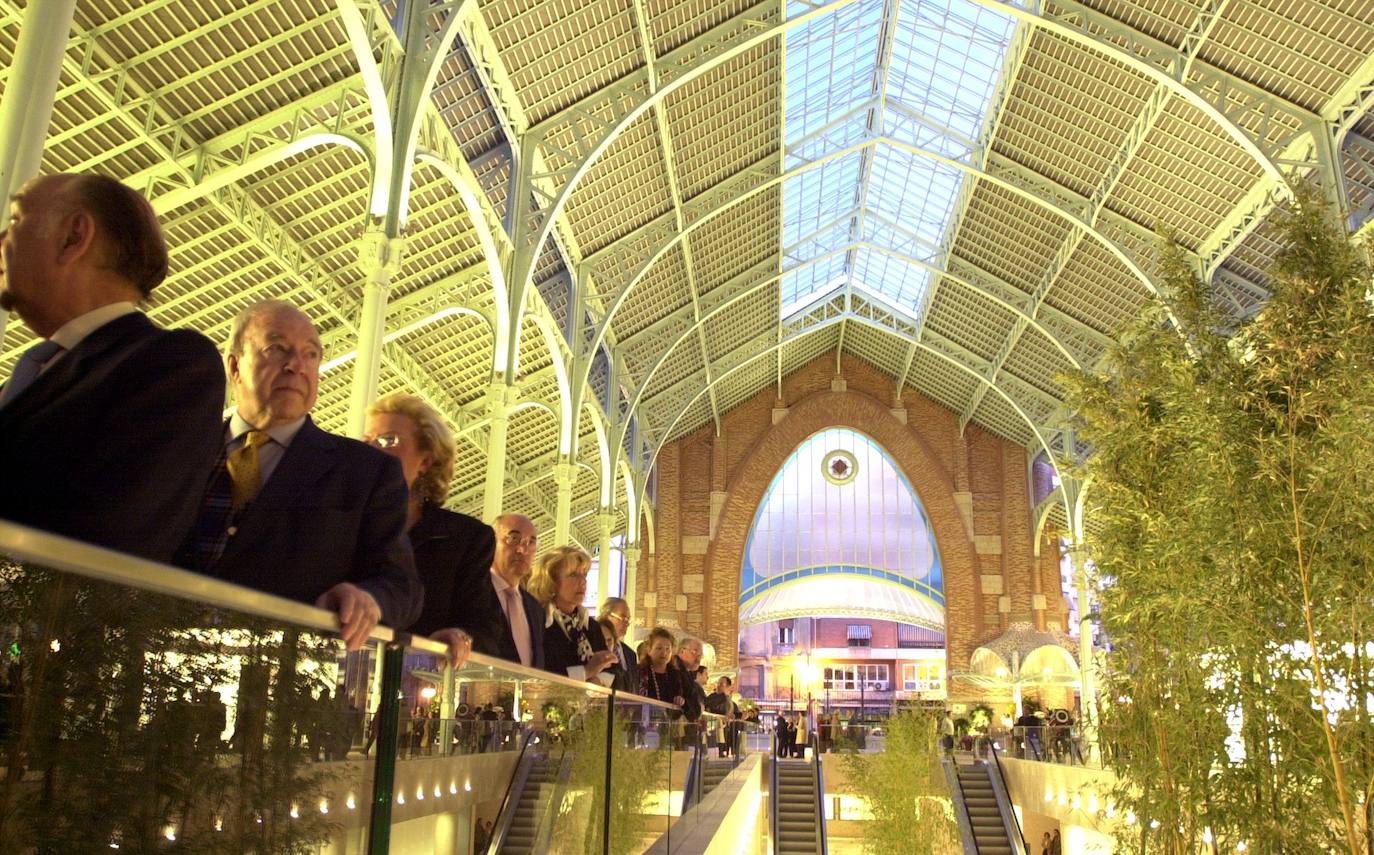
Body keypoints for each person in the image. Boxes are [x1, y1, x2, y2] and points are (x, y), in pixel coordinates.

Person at [0, 173, 224, 562]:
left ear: (74, 237)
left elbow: (108, 536)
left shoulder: (170, 365)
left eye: (17, 220)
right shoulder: (42, 372)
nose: (3, 239)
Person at [178, 299, 422, 646]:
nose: (297, 365)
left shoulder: (364, 472)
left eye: (311, 354)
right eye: (276, 349)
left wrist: (367, 598)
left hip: (278, 676)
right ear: (234, 366)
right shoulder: (182, 448)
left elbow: (402, 584)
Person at [363, 393, 497, 667]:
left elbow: (486, 628)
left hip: (421, 682)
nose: (371, 450)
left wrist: (459, 636)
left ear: (425, 462)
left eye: (389, 440)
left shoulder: (464, 538)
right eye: (367, 440)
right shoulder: (345, 523)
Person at [527, 546, 619, 685]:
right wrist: (587, 671)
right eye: (573, 575)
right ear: (551, 581)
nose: (583, 581)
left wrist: (598, 680)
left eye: (584, 574)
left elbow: (614, 670)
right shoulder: (538, 620)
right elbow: (540, 672)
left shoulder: (590, 626)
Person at [488, 514, 544, 669]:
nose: (522, 549)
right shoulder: (474, 592)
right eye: (513, 539)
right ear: (491, 543)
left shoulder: (535, 609)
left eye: (531, 542)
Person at [599, 597, 640, 694]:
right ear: (606, 616)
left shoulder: (630, 654)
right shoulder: (594, 645)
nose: (627, 623)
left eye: (628, 619)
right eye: (622, 617)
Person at [704, 676, 740, 758]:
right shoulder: (713, 698)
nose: (718, 685)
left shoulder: (731, 702)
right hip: (714, 733)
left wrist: (737, 716)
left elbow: (735, 714)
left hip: (728, 732)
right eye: (718, 683)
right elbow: (709, 708)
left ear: (728, 686)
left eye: (721, 684)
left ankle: (727, 752)